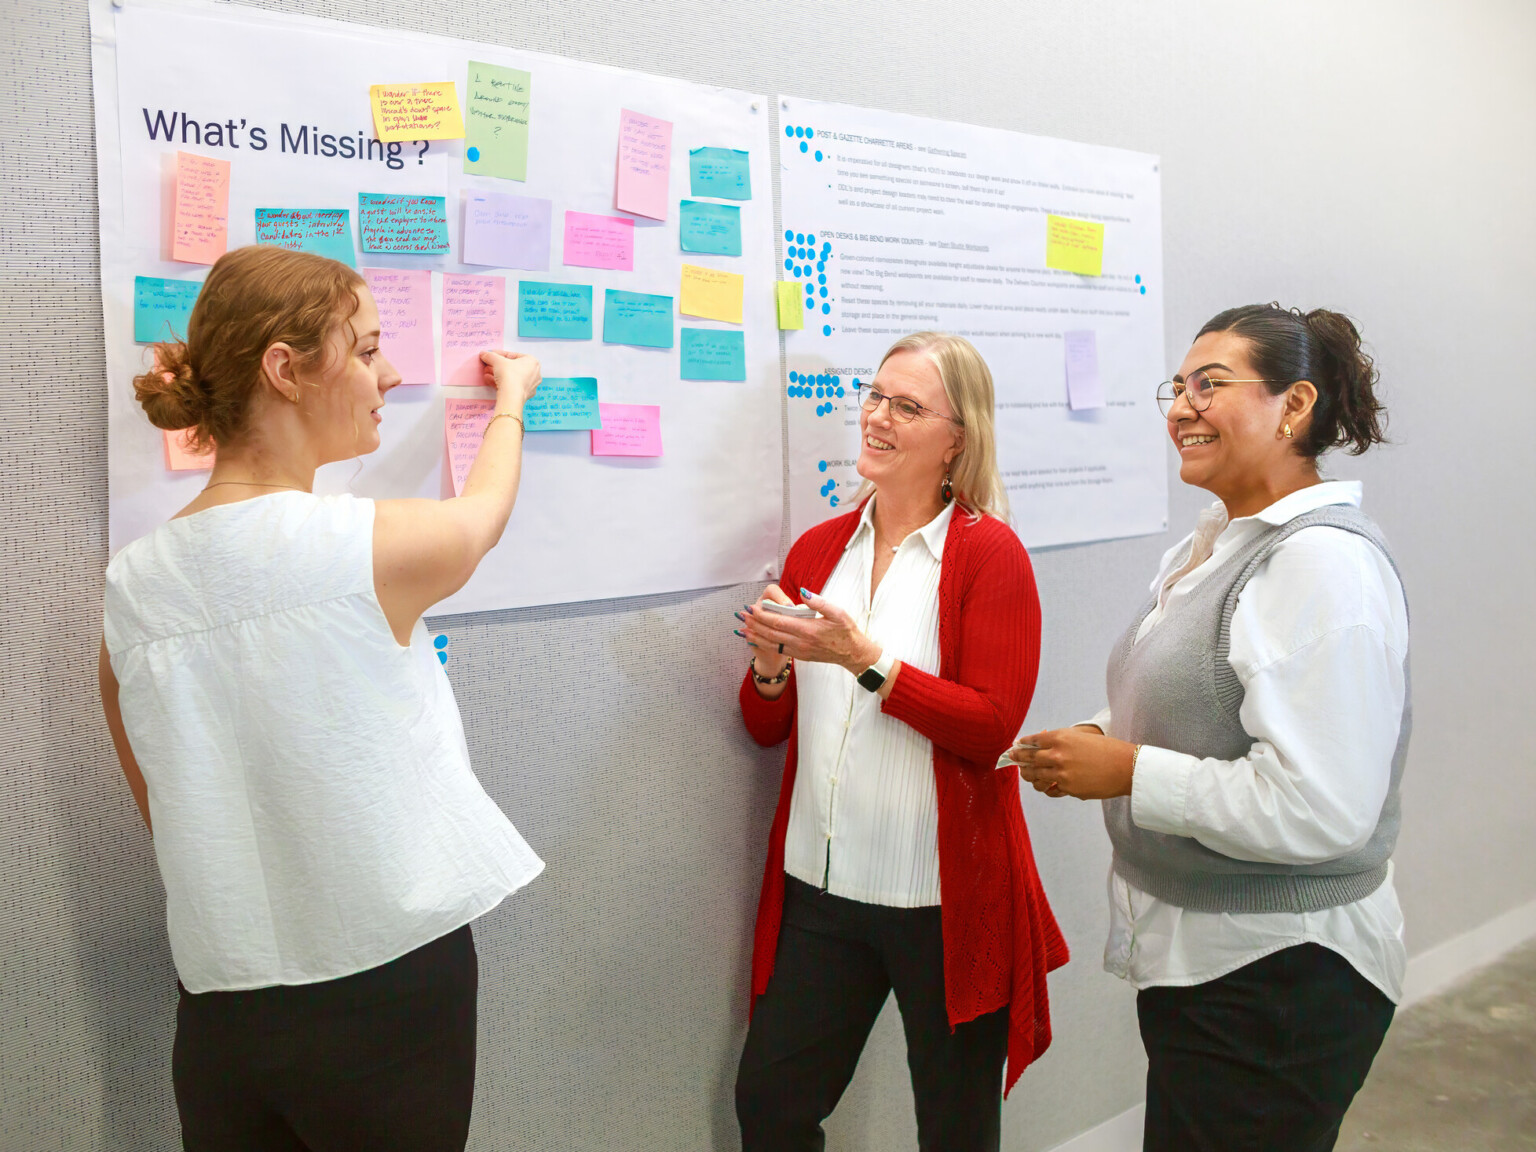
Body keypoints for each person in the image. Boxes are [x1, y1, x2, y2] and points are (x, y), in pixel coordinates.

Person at [98, 245, 545, 1152]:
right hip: (383, 992)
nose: (393, 373)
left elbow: (162, 804)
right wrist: (510, 406)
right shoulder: (355, 547)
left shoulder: (133, 585)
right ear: (285, 369)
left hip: (223, 1006)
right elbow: (483, 518)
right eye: (369, 348)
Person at [1011, 303, 1405, 1152]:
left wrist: (1126, 771)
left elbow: (1323, 808)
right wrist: (1092, 739)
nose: (1180, 408)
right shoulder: (1220, 545)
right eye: (1178, 387)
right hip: (1212, 966)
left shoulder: (1320, 567)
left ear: (1294, 407)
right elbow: (1200, 702)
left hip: (1282, 979)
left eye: (1209, 385)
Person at [732, 332, 1068, 1152]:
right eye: (875, 396)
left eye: (907, 406)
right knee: (770, 1105)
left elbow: (991, 727)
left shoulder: (991, 555)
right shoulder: (820, 548)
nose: (878, 417)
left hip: (940, 902)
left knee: (954, 1131)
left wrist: (867, 661)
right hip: (821, 886)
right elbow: (769, 724)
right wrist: (772, 667)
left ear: (959, 437)